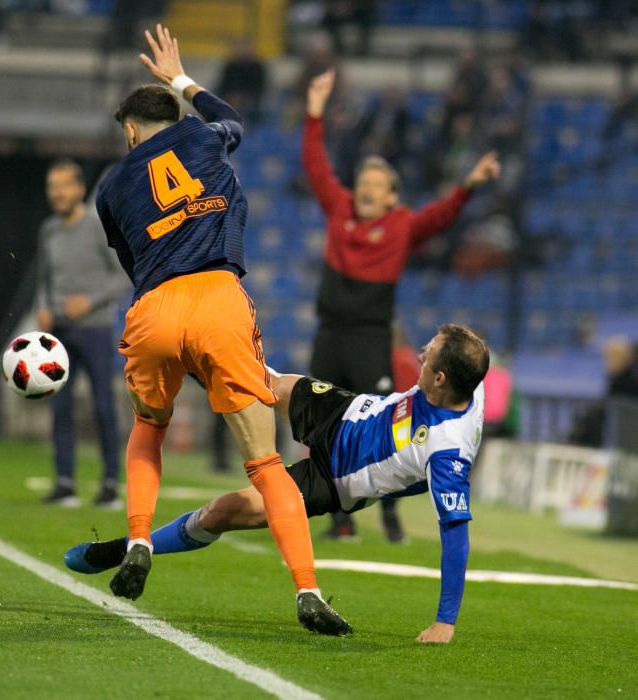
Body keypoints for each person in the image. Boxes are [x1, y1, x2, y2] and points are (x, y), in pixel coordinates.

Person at [93, 24, 348, 635]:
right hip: (218, 297)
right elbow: (230, 113)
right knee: (264, 464)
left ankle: (138, 541)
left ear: (129, 132)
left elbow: (132, 264)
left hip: (155, 303)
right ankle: (307, 590)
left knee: (149, 428)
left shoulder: (110, 188)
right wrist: (180, 78)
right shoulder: (206, 136)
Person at [65, 324, 489, 644]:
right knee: (252, 379)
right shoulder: (469, 377)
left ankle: (127, 549)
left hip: (331, 480)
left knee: (223, 512)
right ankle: (186, 342)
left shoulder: (448, 452)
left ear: (441, 379)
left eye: (428, 355)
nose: (420, 354)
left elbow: (455, 535)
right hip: (344, 411)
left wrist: (444, 622)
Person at [303, 69, 500, 540]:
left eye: (376, 182)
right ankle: (340, 519)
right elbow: (316, 167)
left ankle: (390, 516)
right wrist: (314, 113)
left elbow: (442, 215)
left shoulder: (401, 226)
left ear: (392, 196)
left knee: (391, 426)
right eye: (362, 180)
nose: (366, 187)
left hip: (371, 337)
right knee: (323, 428)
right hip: (330, 333)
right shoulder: (339, 209)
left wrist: (469, 184)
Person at [36, 159, 128, 508]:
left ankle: (109, 485)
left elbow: (121, 276)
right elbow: (45, 280)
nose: (56, 193)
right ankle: (65, 482)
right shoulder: (48, 231)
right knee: (60, 407)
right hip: (58, 332)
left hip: (95, 329)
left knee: (104, 406)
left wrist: (88, 302)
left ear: (78, 188)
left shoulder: (97, 227)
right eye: (51, 187)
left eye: (62, 186)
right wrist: (44, 306)